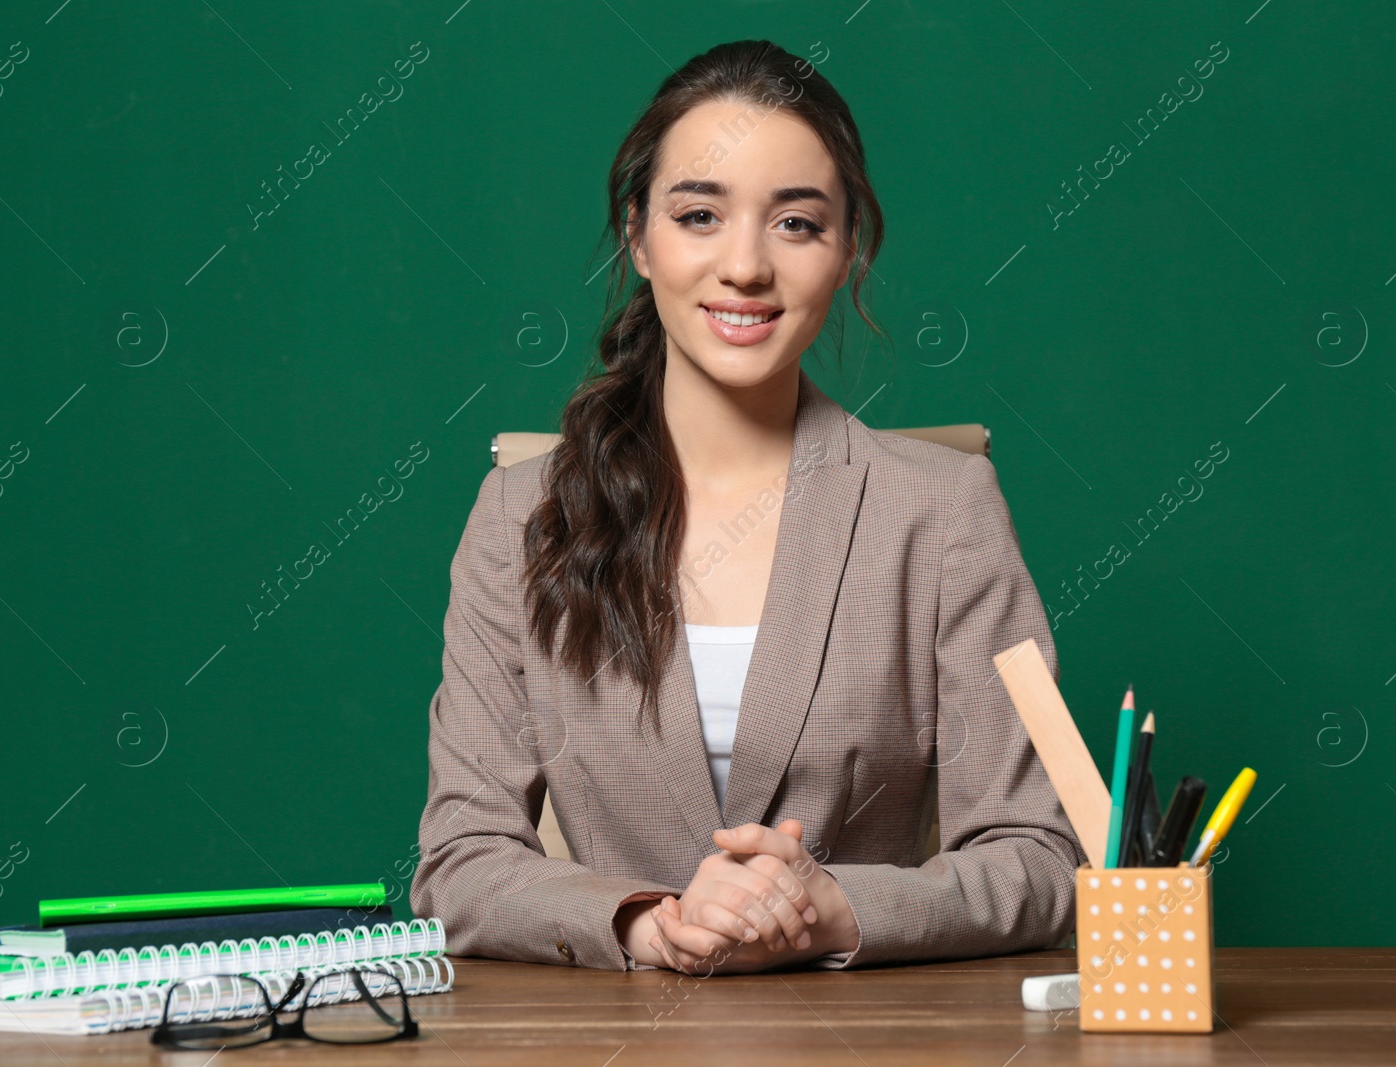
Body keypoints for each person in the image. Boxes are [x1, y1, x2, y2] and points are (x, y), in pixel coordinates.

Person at [410, 39, 1084, 975]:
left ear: (850, 250)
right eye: (699, 215)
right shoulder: (518, 513)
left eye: (797, 225)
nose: (744, 267)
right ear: (639, 237)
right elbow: (460, 865)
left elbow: (1043, 857)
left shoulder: (944, 509)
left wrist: (837, 908)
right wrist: (649, 921)